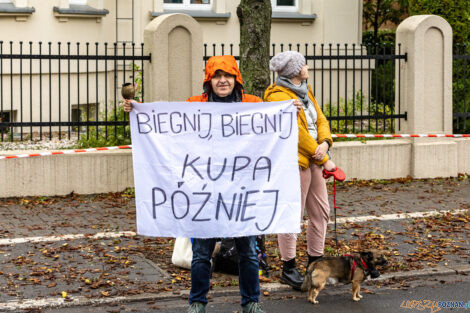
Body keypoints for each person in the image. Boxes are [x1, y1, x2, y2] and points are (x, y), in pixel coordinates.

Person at [123, 55, 267, 313]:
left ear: (237, 79)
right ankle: (197, 302)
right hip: (206, 192)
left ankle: (251, 302)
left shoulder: (252, 104)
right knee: (201, 252)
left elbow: (271, 126)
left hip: (240, 191)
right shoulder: (194, 105)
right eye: (217, 76)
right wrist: (138, 110)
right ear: (208, 81)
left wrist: (291, 113)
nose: (223, 81)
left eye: (228, 76)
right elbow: (167, 124)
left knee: (248, 251)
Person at [264, 51, 344, 290]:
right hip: (295, 162)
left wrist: (326, 142)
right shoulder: (278, 96)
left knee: (320, 212)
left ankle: (314, 265)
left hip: (315, 160)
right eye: (303, 64)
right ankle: (288, 268)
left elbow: (320, 119)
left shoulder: (306, 90)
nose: (307, 66)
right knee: (292, 216)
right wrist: (322, 155)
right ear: (295, 70)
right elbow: (295, 133)